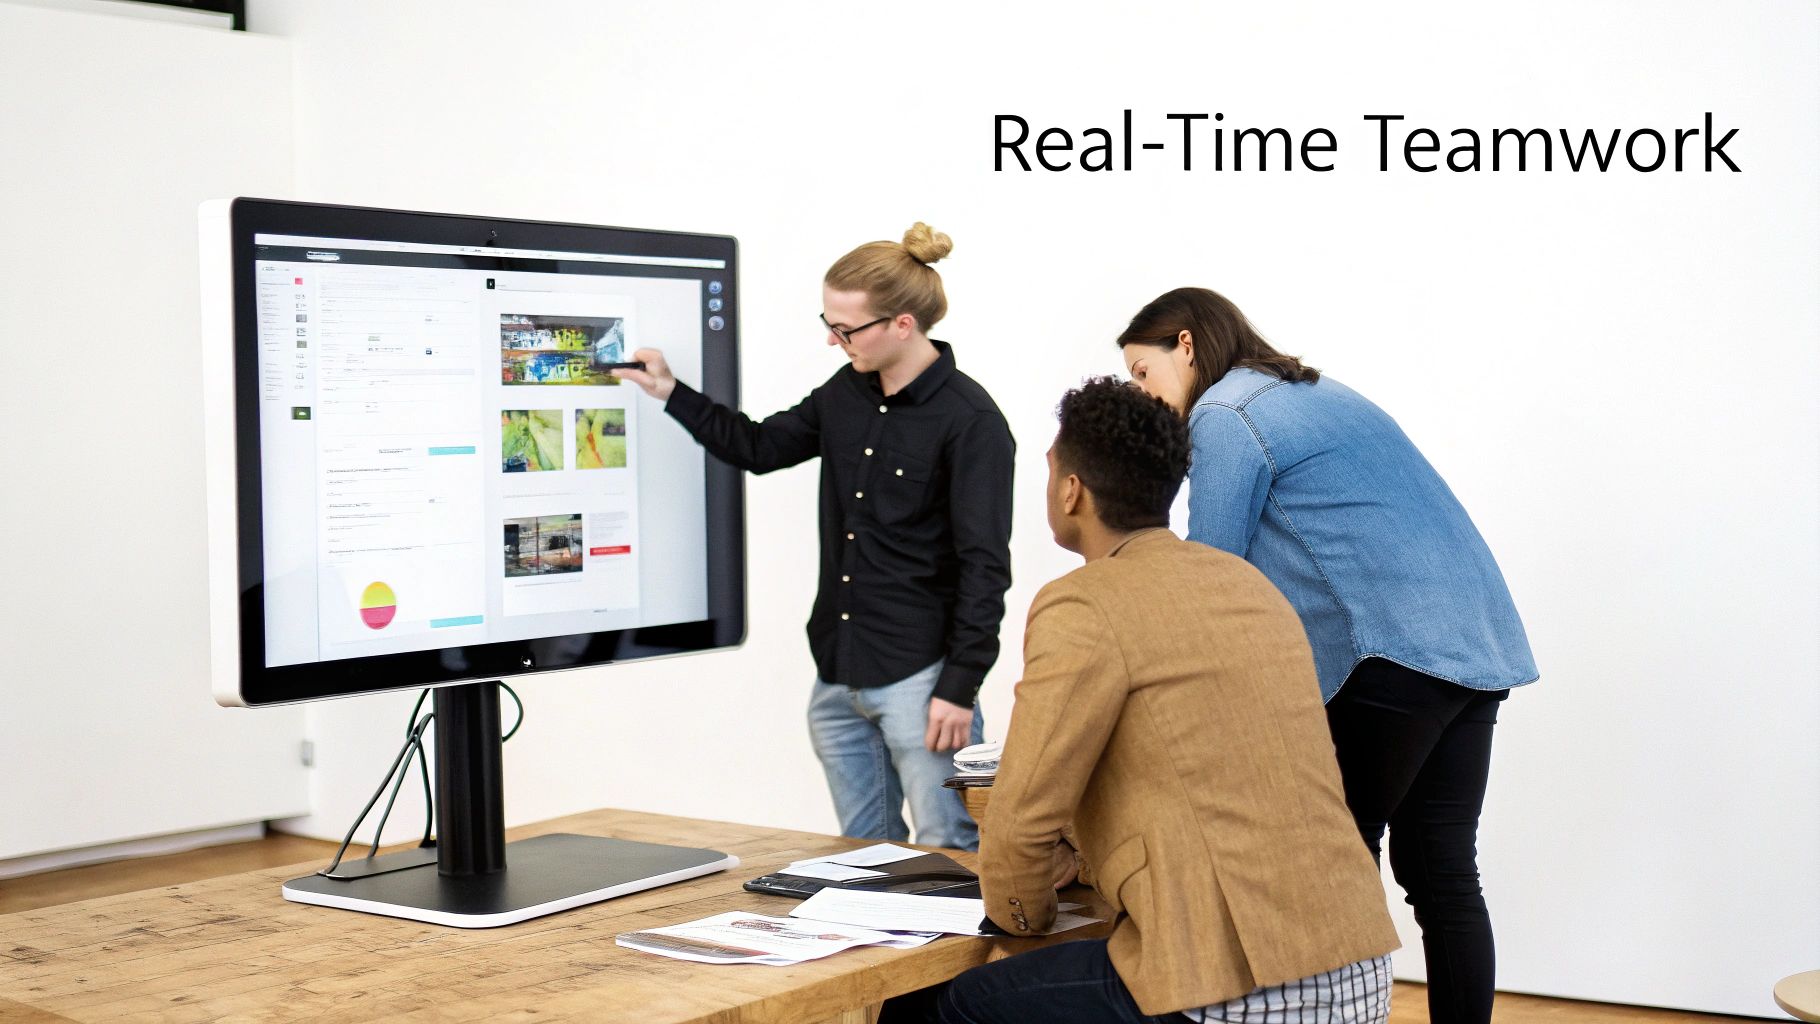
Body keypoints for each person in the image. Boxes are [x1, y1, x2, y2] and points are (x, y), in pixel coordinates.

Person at [883, 378, 1399, 1024]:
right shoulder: (1246, 584)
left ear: (1071, 490)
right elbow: (1203, 769)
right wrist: (1082, 856)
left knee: (931, 1007)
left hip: (1235, 989)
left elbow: (1022, 814)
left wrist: (1023, 918)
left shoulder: (1083, 604)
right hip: (1355, 967)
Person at [1118, 287, 1538, 1024]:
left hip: (1394, 651)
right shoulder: (1313, 391)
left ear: (1185, 344)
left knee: (1333, 860)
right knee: (1442, 874)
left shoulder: (1225, 413)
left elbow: (1211, 572)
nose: (1143, 394)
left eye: (1142, 372)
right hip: (1475, 640)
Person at [617, 224, 1014, 850]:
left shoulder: (972, 422)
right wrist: (669, 390)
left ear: (902, 325)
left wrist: (959, 687)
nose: (833, 339)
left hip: (922, 681)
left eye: (846, 329)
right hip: (837, 674)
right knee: (863, 857)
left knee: (950, 852)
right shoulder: (844, 394)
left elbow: (985, 566)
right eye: (829, 323)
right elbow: (758, 447)